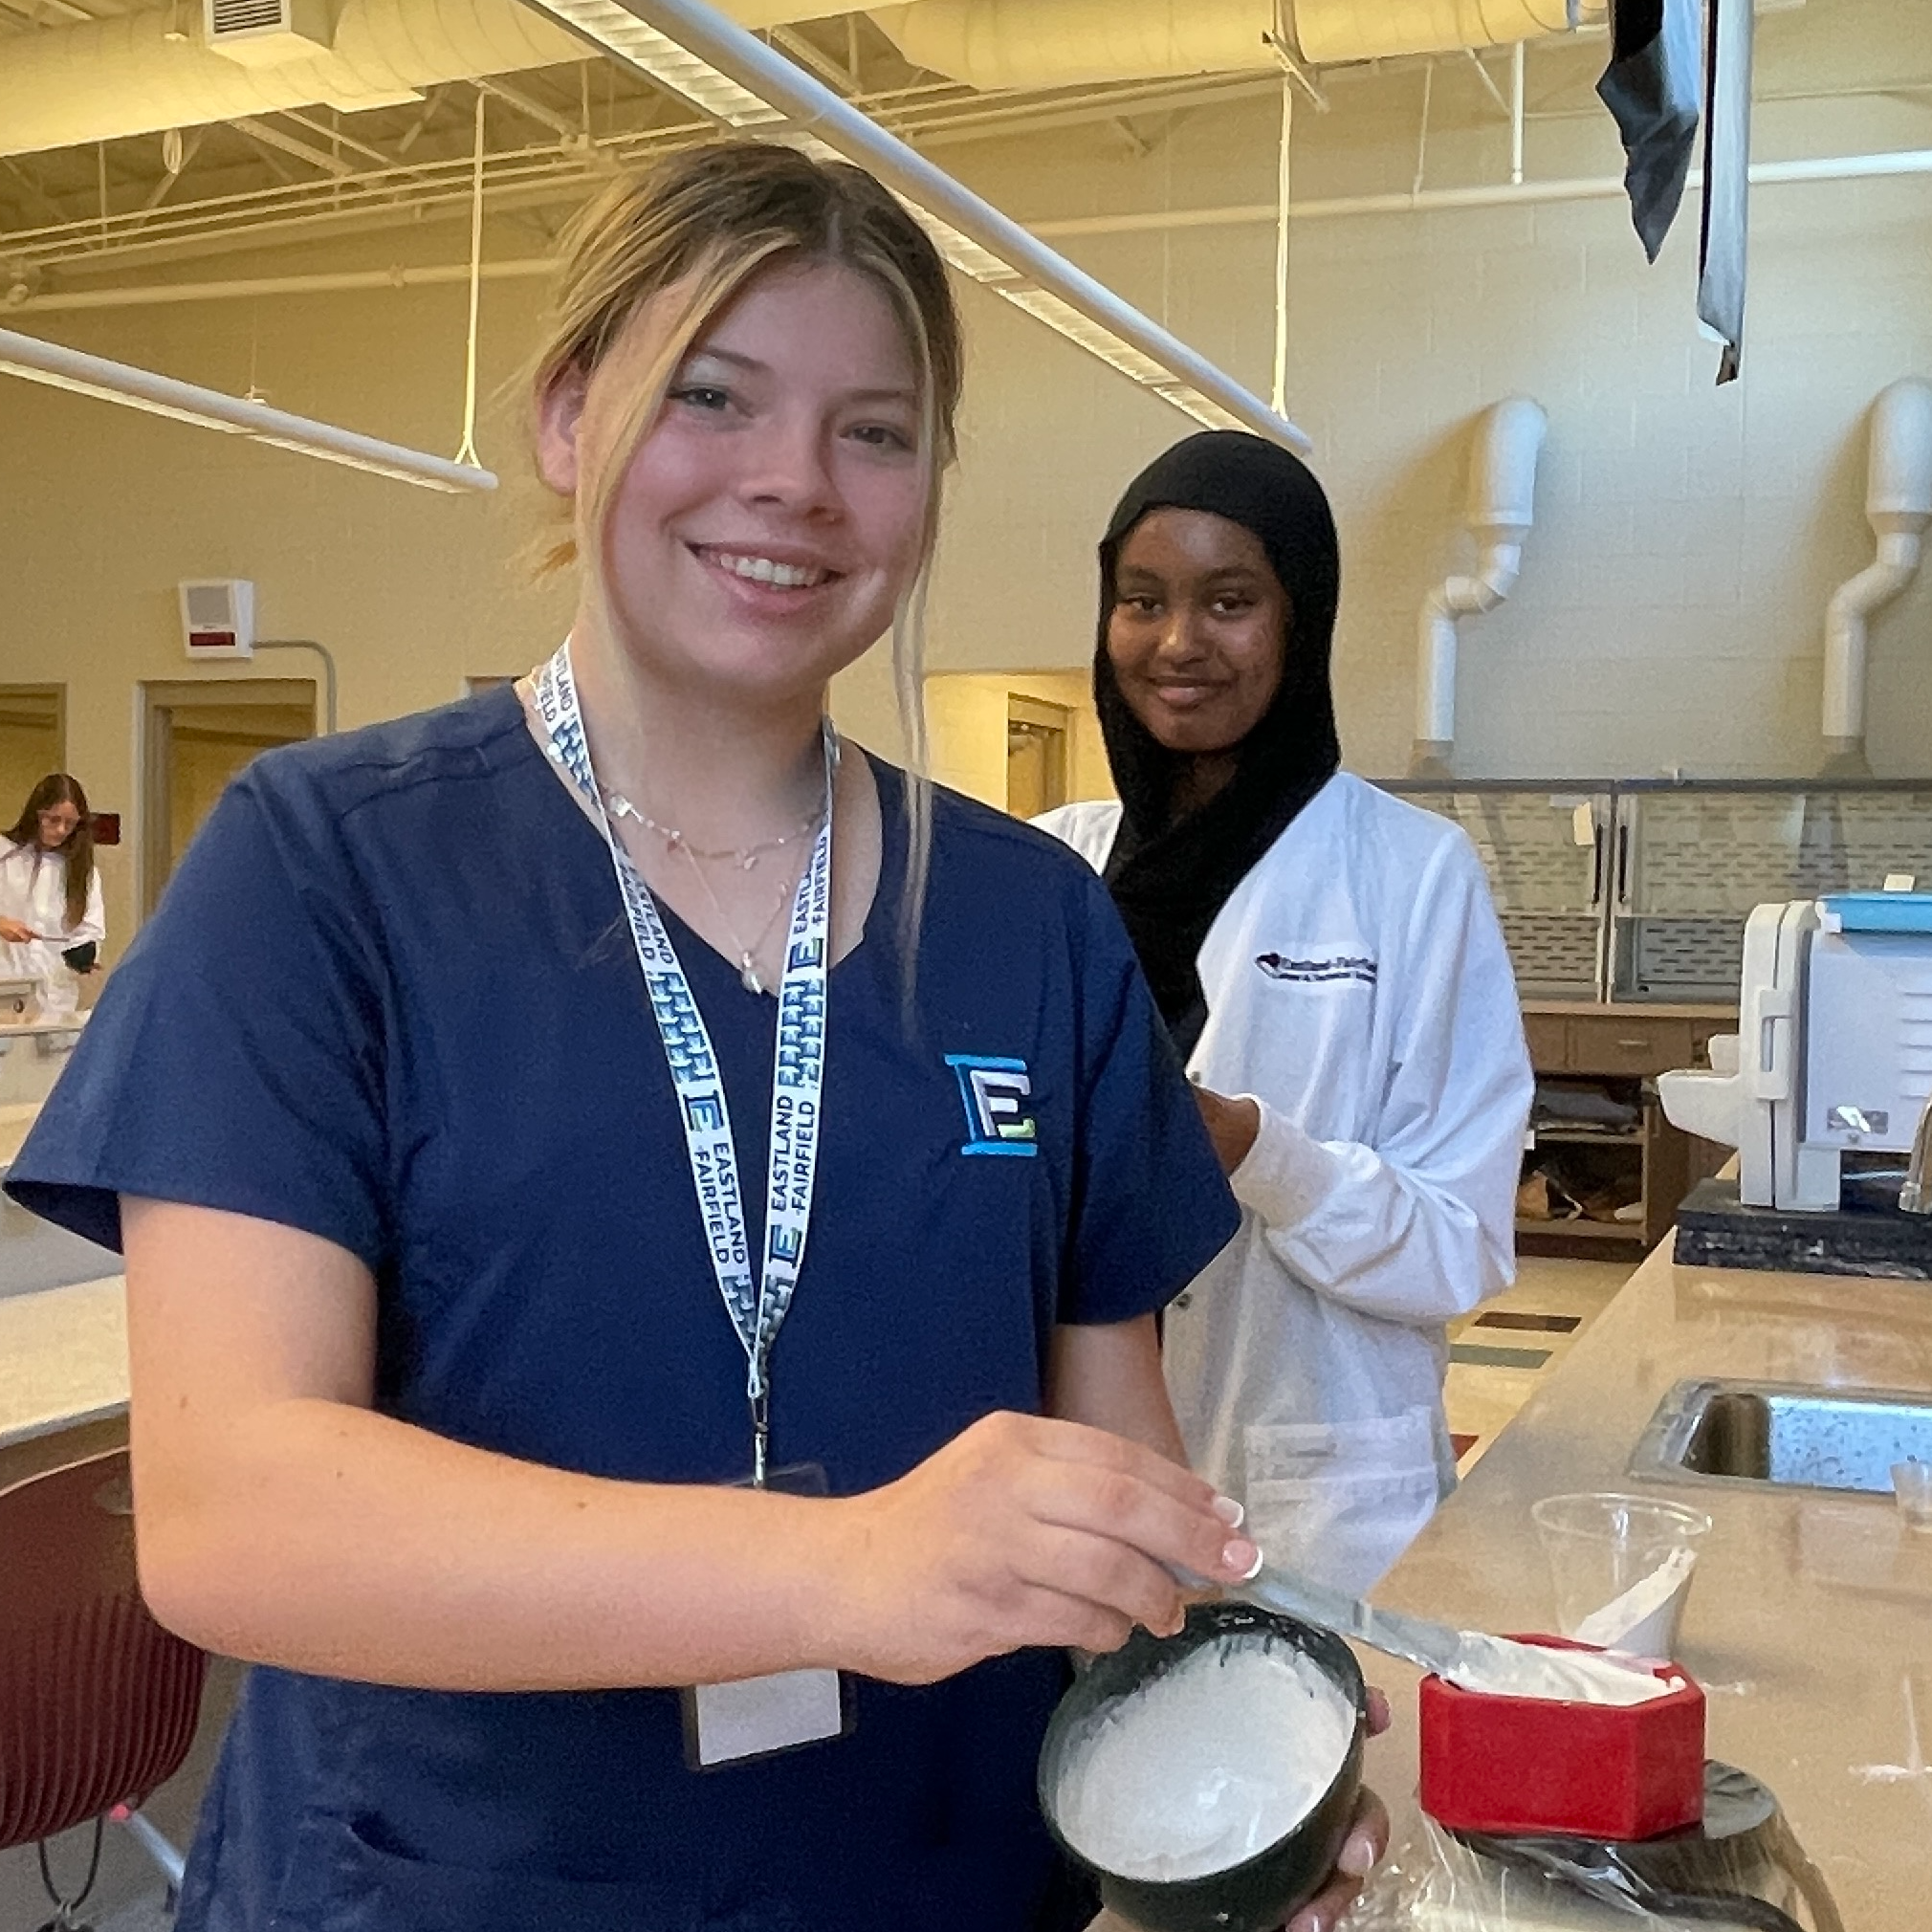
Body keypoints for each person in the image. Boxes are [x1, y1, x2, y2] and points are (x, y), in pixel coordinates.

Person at [8, 152, 1386, 1932]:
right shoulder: (327, 867)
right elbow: (233, 1510)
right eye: (715, 396)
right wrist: (838, 1568)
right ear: (574, 415)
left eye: (875, 433)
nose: (795, 485)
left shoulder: (1025, 927)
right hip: (443, 1888)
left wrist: (1212, 1817)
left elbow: (1116, 1491)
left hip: (944, 1884)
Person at [1038, 431, 1534, 1594]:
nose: (1176, 642)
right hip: (1085, 1486)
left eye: (1229, 601)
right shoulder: (1056, 868)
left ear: (1299, 619)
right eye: (1141, 600)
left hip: (1324, 1503)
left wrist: (1256, 1151)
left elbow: (1459, 1247)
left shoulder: (1413, 875)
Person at [0, 772, 104, 1020]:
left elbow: (90, 931)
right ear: (36, 813)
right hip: (6, 987)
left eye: (70, 823)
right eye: (52, 820)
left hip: (54, 998)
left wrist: (84, 957)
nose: (61, 830)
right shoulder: (5, 854)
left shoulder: (82, 872)